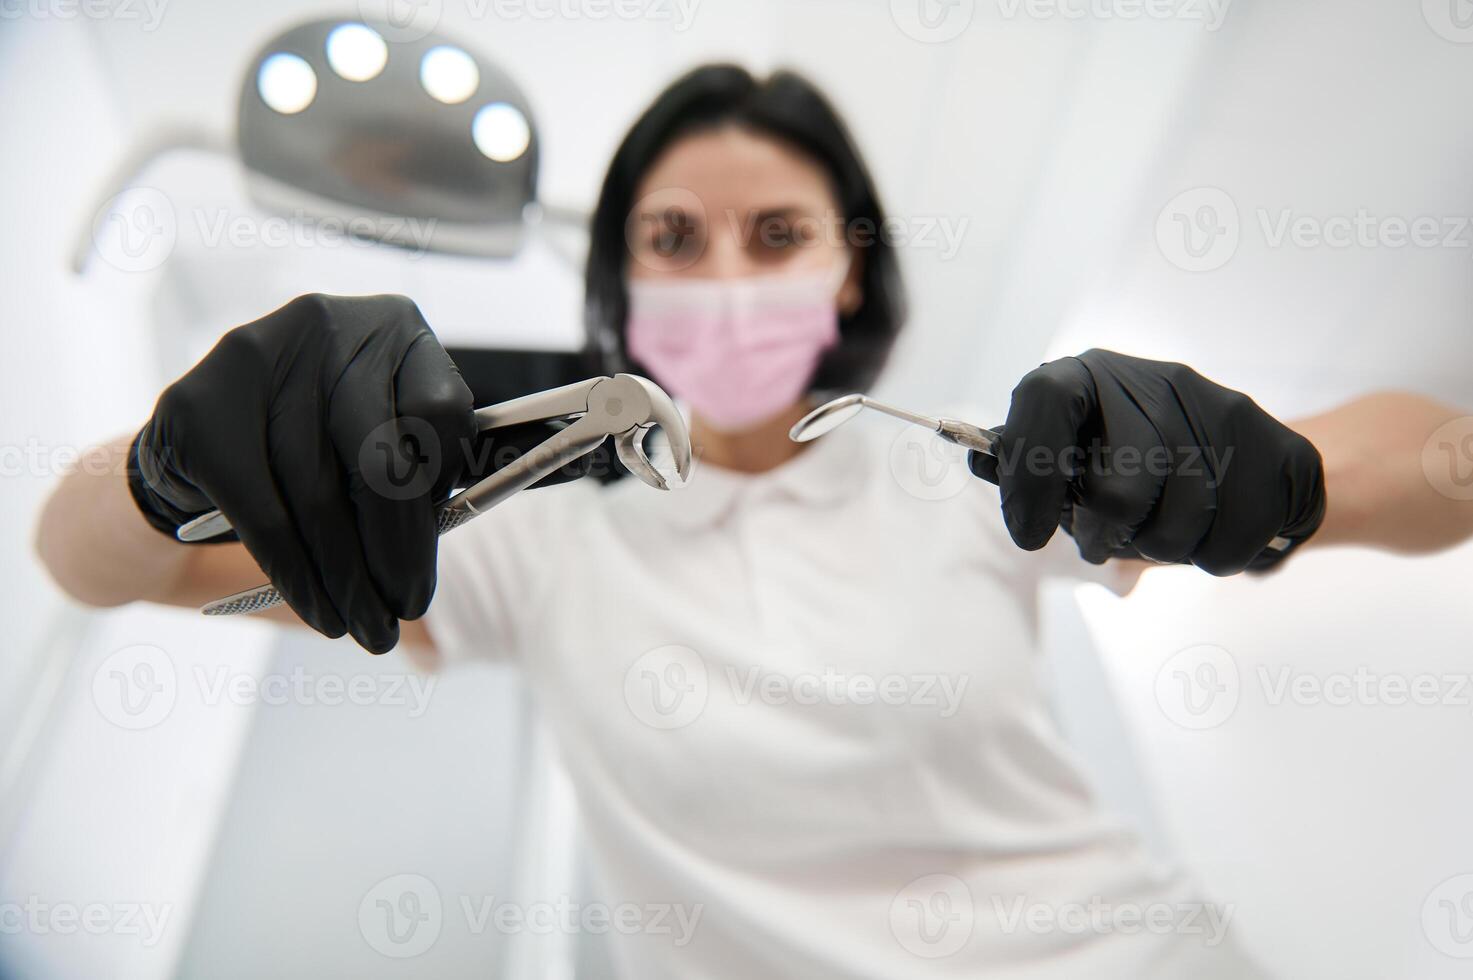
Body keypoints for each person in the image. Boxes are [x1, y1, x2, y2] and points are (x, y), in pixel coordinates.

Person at [35, 65, 1473, 977]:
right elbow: (98, 563)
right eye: (673, 240)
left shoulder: (992, 481)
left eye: (774, 235)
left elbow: (1437, 470)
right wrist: (161, 467)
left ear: (846, 277)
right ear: (622, 289)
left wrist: (1284, 480)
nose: (723, 276)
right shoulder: (536, 549)